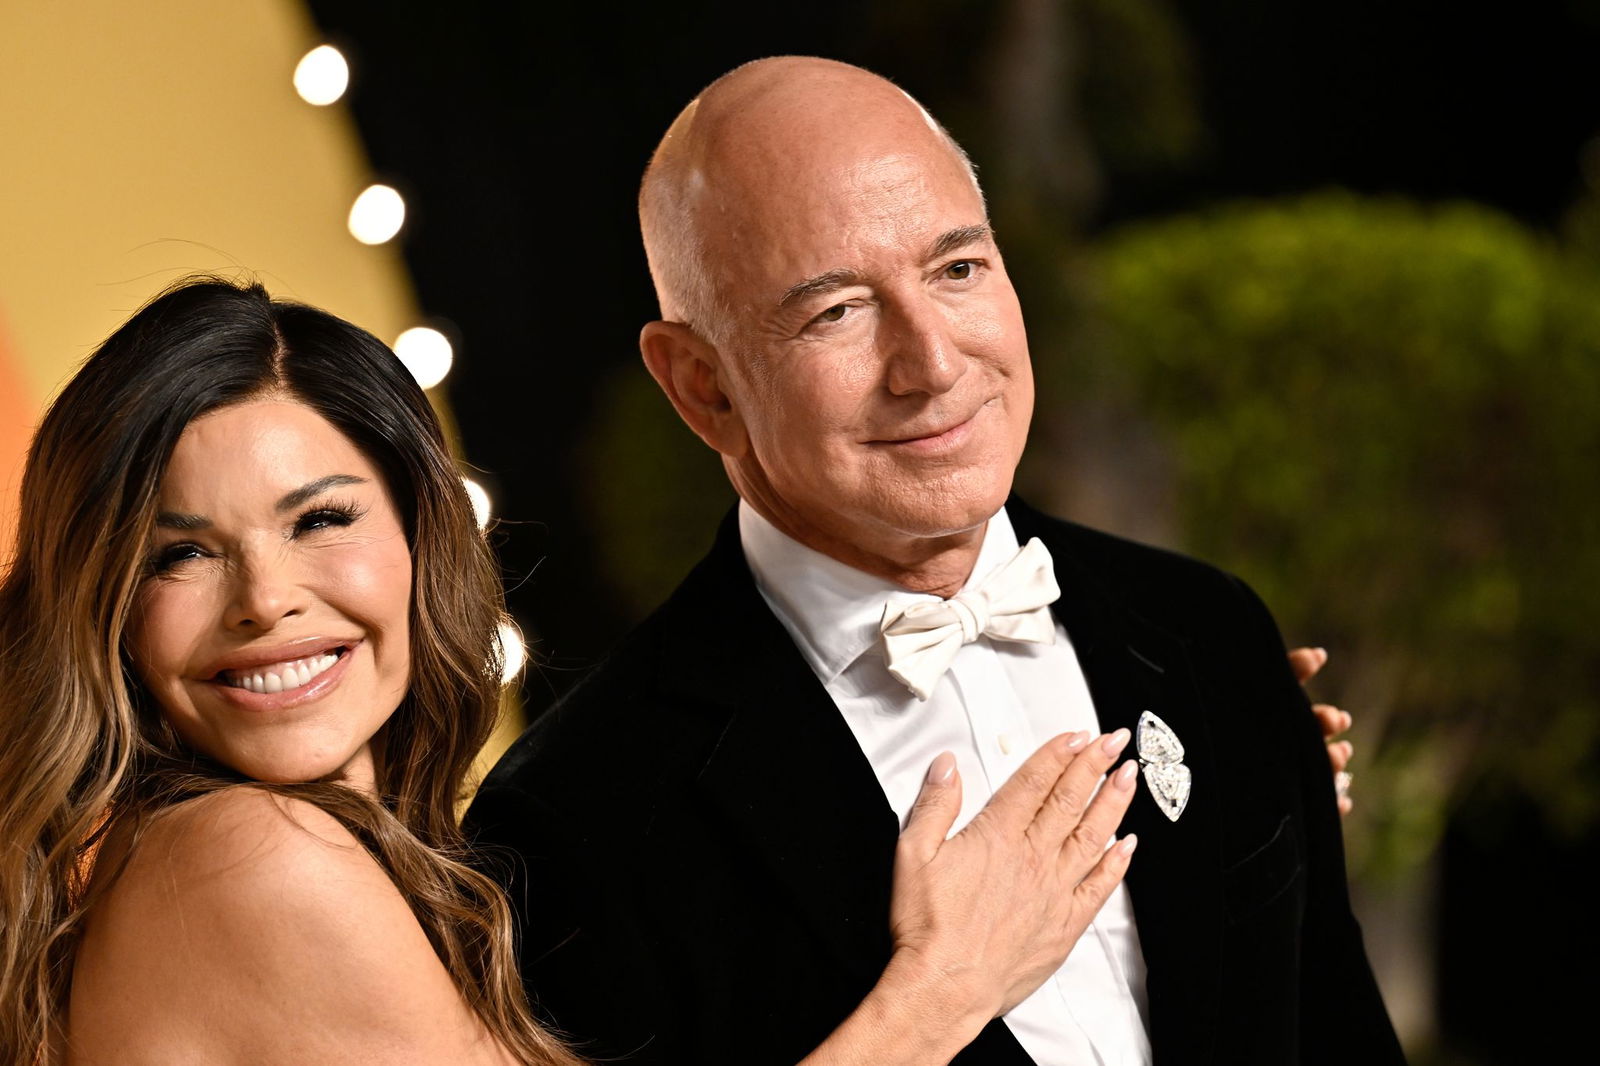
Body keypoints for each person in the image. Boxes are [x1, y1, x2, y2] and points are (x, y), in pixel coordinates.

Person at [465, 57, 1401, 1064]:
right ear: (703, 387)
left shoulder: (1209, 629)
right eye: (836, 312)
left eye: (956, 270)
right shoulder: (574, 821)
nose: (934, 363)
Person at [0, 279, 584, 1064]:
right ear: (108, 611)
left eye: (320, 520)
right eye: (181, 554)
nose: (265, 602)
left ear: (420, 533)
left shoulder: (190, 854)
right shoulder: (257, 857)